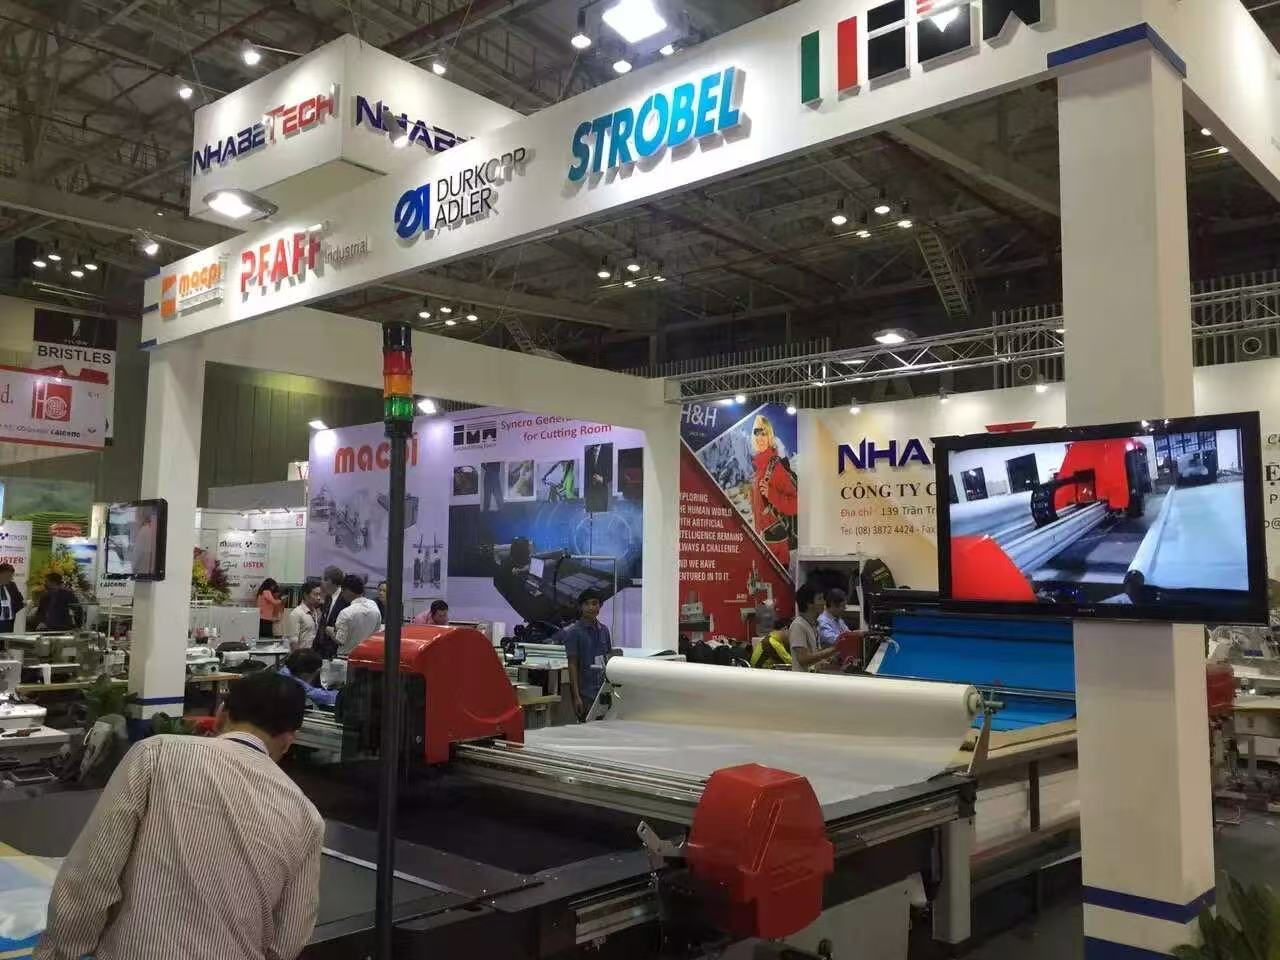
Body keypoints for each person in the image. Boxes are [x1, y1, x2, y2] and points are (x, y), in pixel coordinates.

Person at [34, 671, 323, 960]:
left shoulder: (156, 755)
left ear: (221, 715)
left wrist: (61, 953)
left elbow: (91, 875)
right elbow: (289, 937)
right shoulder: (306, 816)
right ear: (289, 740)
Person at [749, 415, 798, 567]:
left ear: (770, 437)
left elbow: (795, 504)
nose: (760, 438)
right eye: (756, 432)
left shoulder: (775, 468)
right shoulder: (759, 470)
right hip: (764, 547)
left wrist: (771, 495)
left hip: (777, 552)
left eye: (764, 433)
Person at [557, 589, 613, 719]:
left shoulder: (604, 630)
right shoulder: (574, 633)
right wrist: (576, 697)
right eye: (586, 604)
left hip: (603, 691)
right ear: (581, 607)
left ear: (600, 606)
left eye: (594, 603)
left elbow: (608, 659)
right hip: (585, 694)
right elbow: (572, 665)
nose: (591, 608)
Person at [789, 584, 842, 672]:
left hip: (813, 677)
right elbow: (803, 659)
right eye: (820, 599)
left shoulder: (814, 625)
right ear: (809, 604)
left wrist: (830, 658)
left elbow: (816, 657)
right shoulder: (798, 625)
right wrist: (834, 649)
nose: (824, 603)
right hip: (802, 678)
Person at [332, 574, 382, 657]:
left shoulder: (346, 613)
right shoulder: (374, 606)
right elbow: (376, 633)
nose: (342, 594)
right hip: (367, 655)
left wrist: (330, 631)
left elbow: (340, 640)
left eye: (342, 590)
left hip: (347, 656)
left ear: (348, 591)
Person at [286, 580, 324, 650]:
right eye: (315, 594)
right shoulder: (296, 613)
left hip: (314, 653)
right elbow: (293, 641)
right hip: (303, 654)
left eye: (320, 594)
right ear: (306, 595)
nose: (319, 598)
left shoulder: (315, 612)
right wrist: (299, 656)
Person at [0, 563, 24, 633]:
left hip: (9, 621)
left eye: (11, 576)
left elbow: (19, 600)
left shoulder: (12, 585)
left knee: (7, 639)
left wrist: (13, 611)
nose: (10, 578)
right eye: (8, 576)